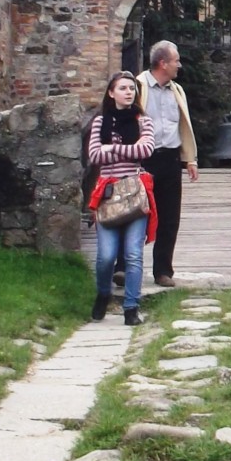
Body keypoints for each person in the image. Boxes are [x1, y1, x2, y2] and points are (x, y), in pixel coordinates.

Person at [85, 71, 154, 325]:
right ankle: (103, 293)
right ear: (111, 93)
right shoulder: (99, 122)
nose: (128, 92)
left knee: (134, 254)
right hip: (108, 196)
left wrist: (112, 148)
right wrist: (127, 151)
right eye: (123, 88)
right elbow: (94, 155)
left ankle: (131, 308)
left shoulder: (143, 121)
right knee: (106, 256)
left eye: (132, 88)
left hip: (134, 193)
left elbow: (146, 150)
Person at [136, 41, 200, 287]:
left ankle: (163, 271)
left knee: (169, 217)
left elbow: (182, 125)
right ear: (163, 63)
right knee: (133, 213)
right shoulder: (138, 86)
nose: (179, 65)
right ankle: (124, 267)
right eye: (176, 60)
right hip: (143, 159)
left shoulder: (177, 90)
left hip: (171, 159)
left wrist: (190, 159)